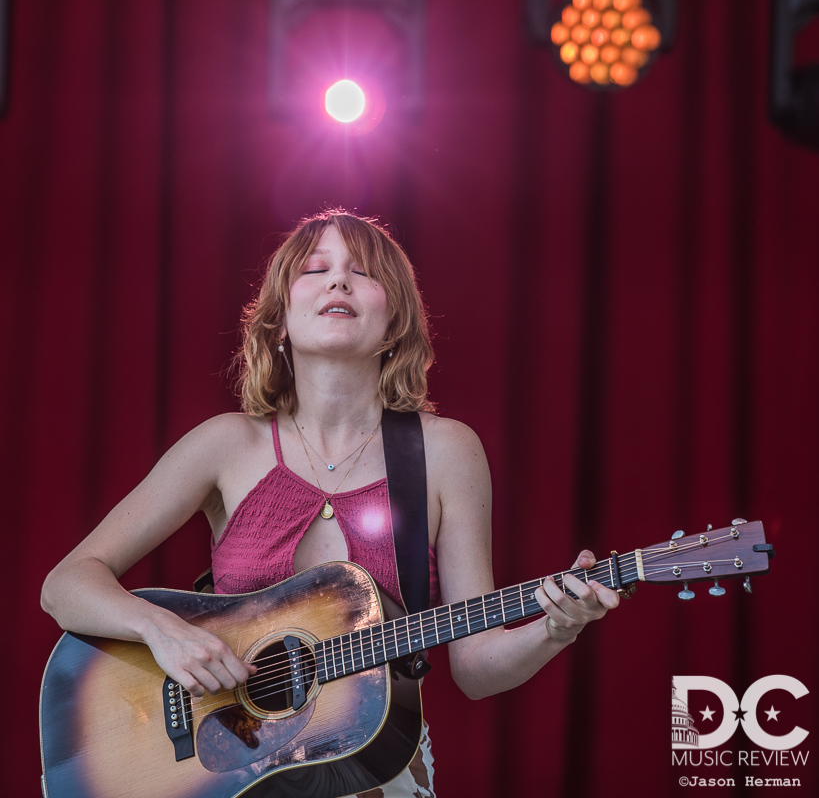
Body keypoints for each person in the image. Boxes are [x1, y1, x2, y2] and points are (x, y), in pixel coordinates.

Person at [41, 209, 619, 798]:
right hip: (232, 773)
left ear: (395, 321)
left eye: (363, 273)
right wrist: (162, 631)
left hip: (378, 775)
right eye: (316, 269)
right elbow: (65, 585)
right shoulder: (224, 444)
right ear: (279, 321)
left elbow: (473, 668)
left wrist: (554, 628)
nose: (338, 281)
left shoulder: (446, 451)